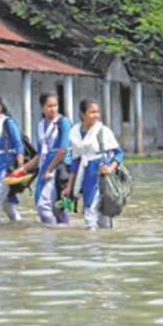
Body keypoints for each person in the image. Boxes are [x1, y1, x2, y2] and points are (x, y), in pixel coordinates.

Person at [62, 99, 124, 231]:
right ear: (82, 114)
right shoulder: (74, 133)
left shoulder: (103, 131)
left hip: (102, 177)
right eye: (92, 112)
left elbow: (119, 154)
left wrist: (110, 168)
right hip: (85, 176)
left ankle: (98, 241)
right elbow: (75, 162)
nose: (96, 115)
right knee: (90, 214)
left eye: (97, 112)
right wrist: (69, 187)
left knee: (104, 217)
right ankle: (93, 240)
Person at [11, 93, 72, 226]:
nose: (53, 109)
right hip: (45, 168)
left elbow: (63, 150)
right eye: (49, 106)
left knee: (46, 205)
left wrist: (49, 170)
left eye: (55, 105)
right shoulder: (40, 126)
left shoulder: (64, 123)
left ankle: (55, 230)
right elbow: (40, 154)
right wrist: (23, 169)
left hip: (59, 169)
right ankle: (61, 232)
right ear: (42, 108)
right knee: (48, 205)